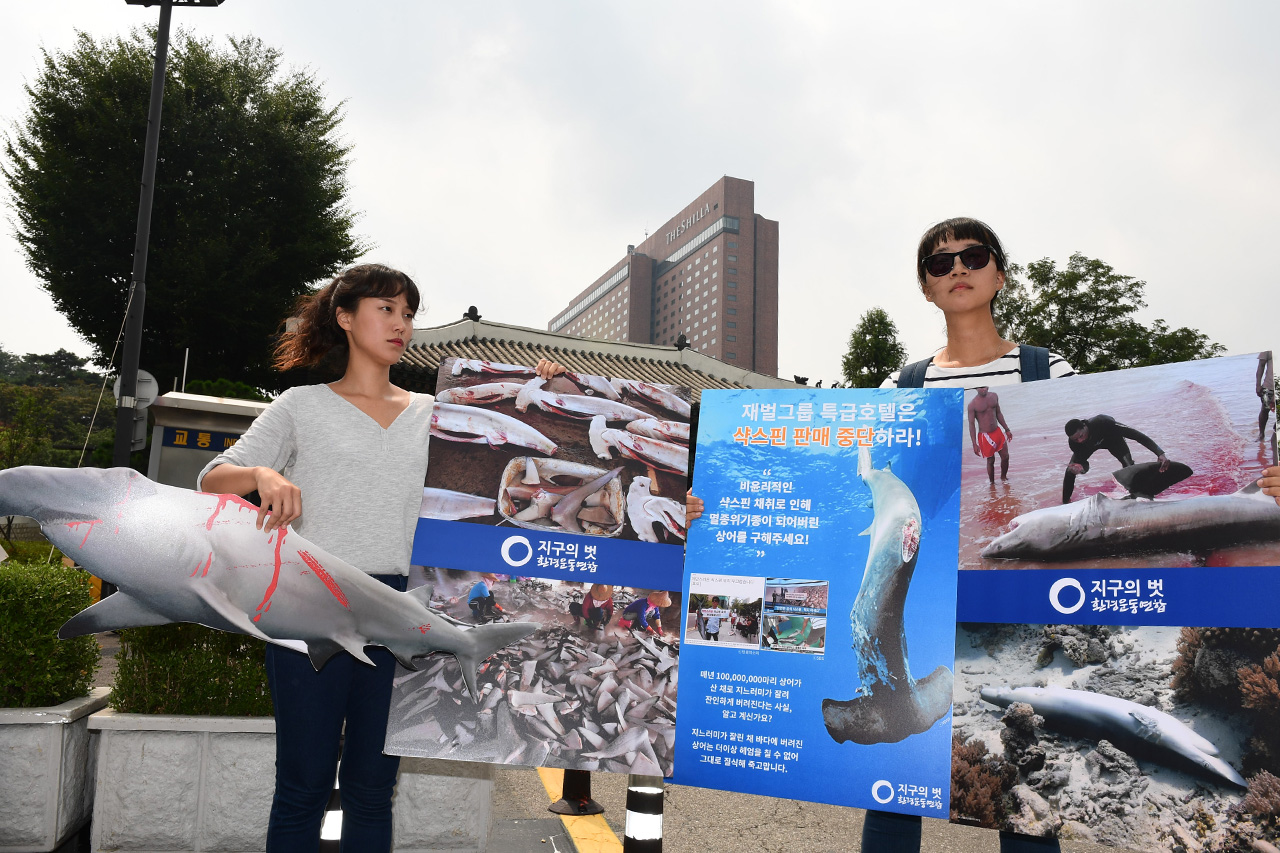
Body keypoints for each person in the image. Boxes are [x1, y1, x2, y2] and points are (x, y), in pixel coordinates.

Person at [197, 264, 431, 852]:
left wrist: (547, 388)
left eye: (408, 313)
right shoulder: (300, 405)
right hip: (308, 602)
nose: (400, 324)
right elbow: (210, 478)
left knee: (374, 787)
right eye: (387, 309)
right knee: (303, 785)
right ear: (346, 318)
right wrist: (261, 472)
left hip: (401, 606)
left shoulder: (435, 414)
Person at [1061, 415, 1168, 502]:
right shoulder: (1075, 444)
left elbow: (1137, 435)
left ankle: (1138, 494)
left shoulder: (1103, 423)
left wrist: (1160, 453)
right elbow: (1084, 465)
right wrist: (1081, 470)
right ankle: (1065, 502)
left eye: (1081, 436)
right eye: (1075, 439)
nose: (1080, 440)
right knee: (1070, 471)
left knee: (1128, 466)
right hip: (1090, 447)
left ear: (1084, 426)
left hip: (1113, 440)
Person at [968, 386, 1012, 483]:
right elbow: (971, 425)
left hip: (997, 431)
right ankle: (992, 484)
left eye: (985, 387)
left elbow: (999, 414)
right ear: (975, 388)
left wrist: (1007, 429)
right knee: (991, 460)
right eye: (981, 388)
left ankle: (1003, 478)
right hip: (985, 435)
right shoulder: (972, 404)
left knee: (1005, 456)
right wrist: (974, 443)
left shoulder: (994, 396)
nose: (984, 389)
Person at [1258, 351, 1274, 438]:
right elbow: (1261, 365)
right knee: (1264, 410)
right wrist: (1258, 385)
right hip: (1269, 386)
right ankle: (1261, 434)